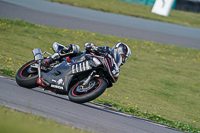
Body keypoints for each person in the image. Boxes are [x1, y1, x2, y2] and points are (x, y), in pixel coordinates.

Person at [42, 42, 131, 82]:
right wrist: (93, 47)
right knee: (75, 48)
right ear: (118, 51)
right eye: (122, 56)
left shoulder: (113, 67)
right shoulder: (107, 51)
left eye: (124, 58)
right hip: (80, 58)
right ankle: (50, 60)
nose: (123, 60)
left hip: (86, 70)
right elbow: (90, 46)